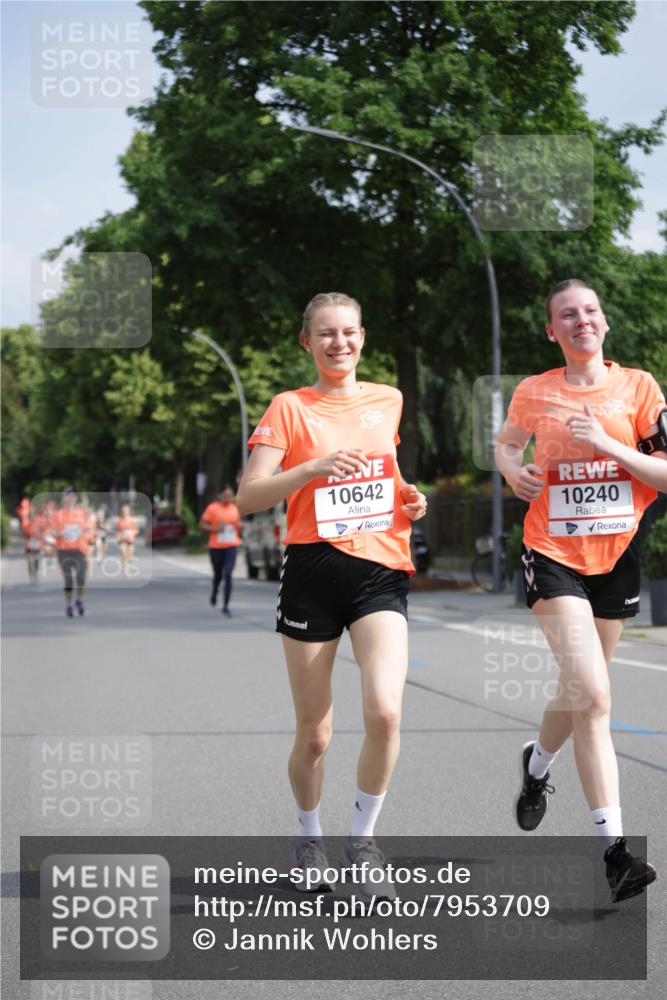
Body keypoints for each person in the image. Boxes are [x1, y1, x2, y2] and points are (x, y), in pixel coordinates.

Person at [236, 292, 427, 900]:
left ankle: (363, 842)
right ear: (307, 342)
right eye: (325, 334)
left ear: (363, 338)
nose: (338, 343)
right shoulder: (289, 407)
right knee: (315, 733)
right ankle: (309, 837)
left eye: (348, 333)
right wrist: (311, 470)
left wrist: (409, 498)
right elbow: (250, 496)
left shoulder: (388, 399)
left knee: (386, 711)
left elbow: (387, 473)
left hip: (379, 570)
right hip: (312, 571)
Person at [495, 278, 666, 903]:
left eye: (590, 310)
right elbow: (508, 444)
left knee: (578, 690)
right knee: (594, 695)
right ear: (551, 330)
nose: (581, 320)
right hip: (554, 553)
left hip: (616, 557)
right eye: (567, 315)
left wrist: (609, 445)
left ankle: (537, 766)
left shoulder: (640, 387)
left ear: (604, 322)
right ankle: (616, 853)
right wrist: (515, 471)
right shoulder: (534, 390)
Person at [198, 485, 242, 617]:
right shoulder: (213, 508)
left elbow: (239, 525)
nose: (228, 499)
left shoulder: (235, 509)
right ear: (220, 495)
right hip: (216, 546)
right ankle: (215, 590)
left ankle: (226, 605)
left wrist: (240, 526)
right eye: (225, 496)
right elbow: (202, 524)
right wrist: (216, 530)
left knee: (228, 573)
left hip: (231, 546)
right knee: (218, 575)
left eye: (230, 496)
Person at [52, 487, 92, 617]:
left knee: (81, 578)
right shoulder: (58, 515)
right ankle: (69, 604)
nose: (70, 497)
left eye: (73, 495)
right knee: (68, 580)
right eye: (68, 495)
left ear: (76, 498)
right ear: (63, 498)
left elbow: (89, 529)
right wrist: (60, 533)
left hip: (79, 549)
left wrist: (86, 534)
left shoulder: (82, 513)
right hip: (63, 550)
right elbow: (51, 531)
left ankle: (79, 600)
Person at [115, 503, 138, 575]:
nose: (125, 512)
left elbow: (136, 530)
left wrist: (132, 533)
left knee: (130, 552)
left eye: (126, 510)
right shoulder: (119, 520)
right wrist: (118, 537)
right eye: (123, 510)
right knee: (123, 552)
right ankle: (125, 567)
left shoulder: (133, 519)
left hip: (130, 539)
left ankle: (127, 563)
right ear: (122, 511)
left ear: (129, 511)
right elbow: (117, 530)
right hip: (122, 539)